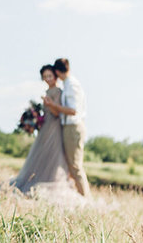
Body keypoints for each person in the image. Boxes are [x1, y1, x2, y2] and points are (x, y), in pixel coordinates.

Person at [9, 65, 79, 197]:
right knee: (41, 156)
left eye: (50, 76)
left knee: (52, 156)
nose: (47, 79)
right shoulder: (48, 91)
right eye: (45, 77)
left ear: (55, 76)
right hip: (45, 127)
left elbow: (57, 113)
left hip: (54, 128)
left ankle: (49, 182)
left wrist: (49, 104)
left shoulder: (57, 91)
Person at [43, 58, 91, 197]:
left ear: (57, 72)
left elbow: (73, 110)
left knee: (75, 166)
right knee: (70, 166)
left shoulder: (72, 85)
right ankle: (79, 195)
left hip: (73, 127)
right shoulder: (67, 84)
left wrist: (53, 105)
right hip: (69, 127)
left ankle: (86, 199)